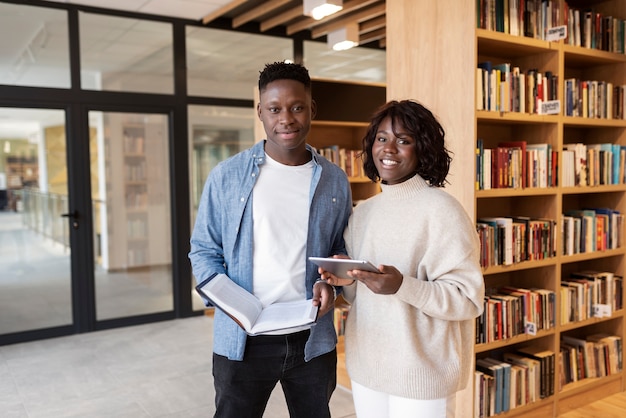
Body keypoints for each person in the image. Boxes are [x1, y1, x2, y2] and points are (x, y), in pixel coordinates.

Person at [188, 61, 352, 418]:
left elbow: (340, 250)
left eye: (297, 107)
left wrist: (333, 285)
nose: (286, 119)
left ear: (312, 109)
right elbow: (202, 250)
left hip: (311, 339)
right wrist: (228, 303)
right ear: (260, 111)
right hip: (243, 338)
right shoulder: (227, 176)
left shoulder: (334, 180)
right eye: (275, 109)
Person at [318, 99, 485, 418]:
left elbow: (468, 300)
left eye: (403, 140)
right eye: (382, 138)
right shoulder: (364, 212)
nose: (389, 149)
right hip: (368, 367)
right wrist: (348, 282)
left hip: (421, 374)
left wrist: (402, 286)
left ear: (422, 149)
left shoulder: (442, 211)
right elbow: (361, 298)